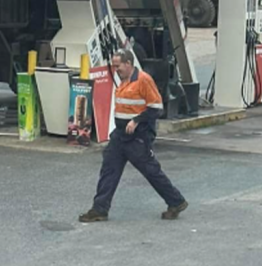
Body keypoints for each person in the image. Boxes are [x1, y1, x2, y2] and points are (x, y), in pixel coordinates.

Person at [79, 50, 188, 223]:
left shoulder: (143, 80)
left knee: (151, 171)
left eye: (118, 66)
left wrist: (136, 120)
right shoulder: (124, 80)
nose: (115, 70)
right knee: (109, 170)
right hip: (120, 136)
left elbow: (156, 107)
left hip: (138, 136)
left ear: (128, 63)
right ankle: (99, 209)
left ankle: (176, 201)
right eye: (114, 66)